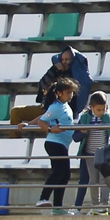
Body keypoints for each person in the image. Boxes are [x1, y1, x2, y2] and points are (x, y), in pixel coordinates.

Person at [33, 79, 78, 211]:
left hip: (62, 144)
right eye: (68, 92)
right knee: (59, 172)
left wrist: (28, 123)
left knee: (65, 175)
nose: (71, 95)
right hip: (55, 142)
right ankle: (43, 198)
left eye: (72, 92)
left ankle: (58, 206)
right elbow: (42, 121)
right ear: (59, 93)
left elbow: (43, 116)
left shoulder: (64, 106)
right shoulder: (56, 106)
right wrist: (50, 129)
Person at [73, 91, 110, 214]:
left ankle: (104, 205)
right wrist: (82, 131)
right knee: (93, 180)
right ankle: (95, 205)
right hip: (89, 154)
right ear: (91, 107)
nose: (101, 112)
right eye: (98, 110)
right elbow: (75, 137)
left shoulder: (108, 118)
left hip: (104, 155)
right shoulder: (84, 118)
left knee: (105, 180)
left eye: (103, 109)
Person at [33, 44, 94, 118]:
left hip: (61, 112)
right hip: (48, 108)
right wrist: (53, 69)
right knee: (16, 112)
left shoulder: (78, 77)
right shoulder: (56, 71)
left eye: (67, 59)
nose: (64, 62)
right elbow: (43, 84)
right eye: (62, 60)